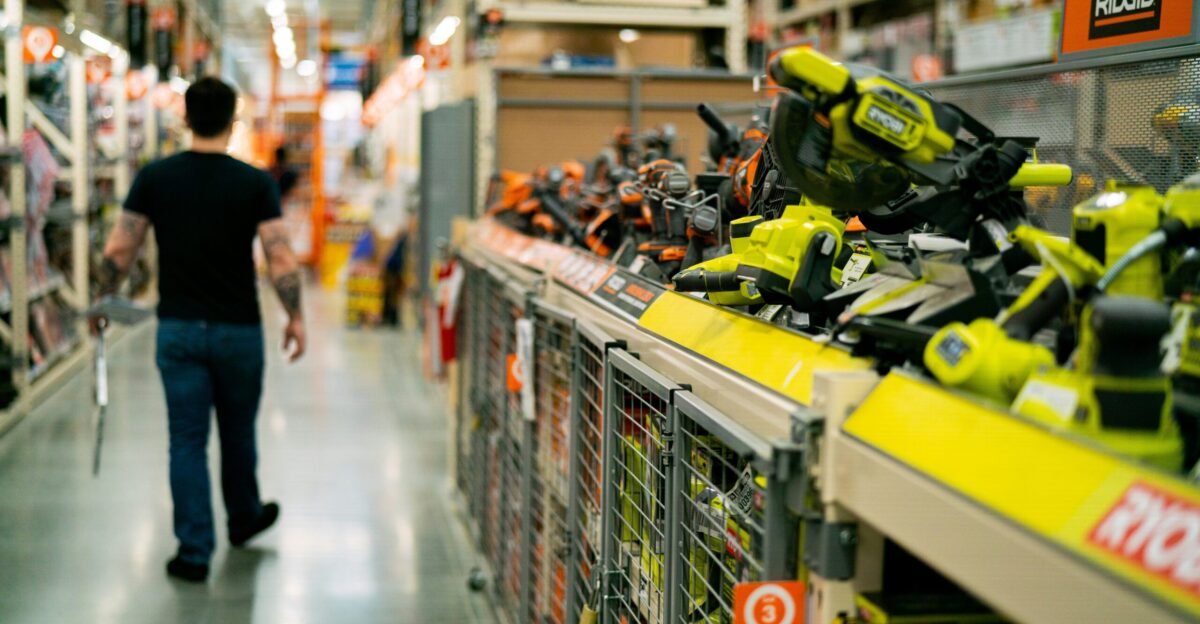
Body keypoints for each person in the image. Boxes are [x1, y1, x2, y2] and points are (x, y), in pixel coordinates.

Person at [96, 76, 307, 583]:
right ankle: (243, 517)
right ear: (234, 124)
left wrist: (102, 299)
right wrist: (295, 315)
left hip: (180, 330)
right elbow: (279, 256)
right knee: (237, 431)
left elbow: (119, 252)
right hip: (239, 331)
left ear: (184, 119)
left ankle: (194, 551)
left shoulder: (155, 177)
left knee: (186, 439)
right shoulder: (256, 183)